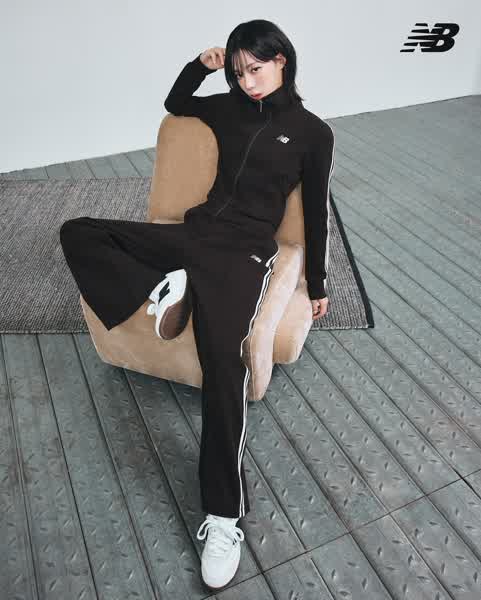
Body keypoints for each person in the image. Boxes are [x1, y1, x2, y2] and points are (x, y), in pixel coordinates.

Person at [59, 18, 335, 592]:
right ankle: (165, 285)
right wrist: (201, 66)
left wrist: (318, 283)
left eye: (255, 69)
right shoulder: (229, 107)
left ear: (281, 60)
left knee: (224, 364)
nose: (247, 81)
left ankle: (224, 516)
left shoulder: (313, 132)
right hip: (194, 236)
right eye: (239, 72)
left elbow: (315, 210)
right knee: (79, 231)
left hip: (243, 255)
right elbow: (176, 102)